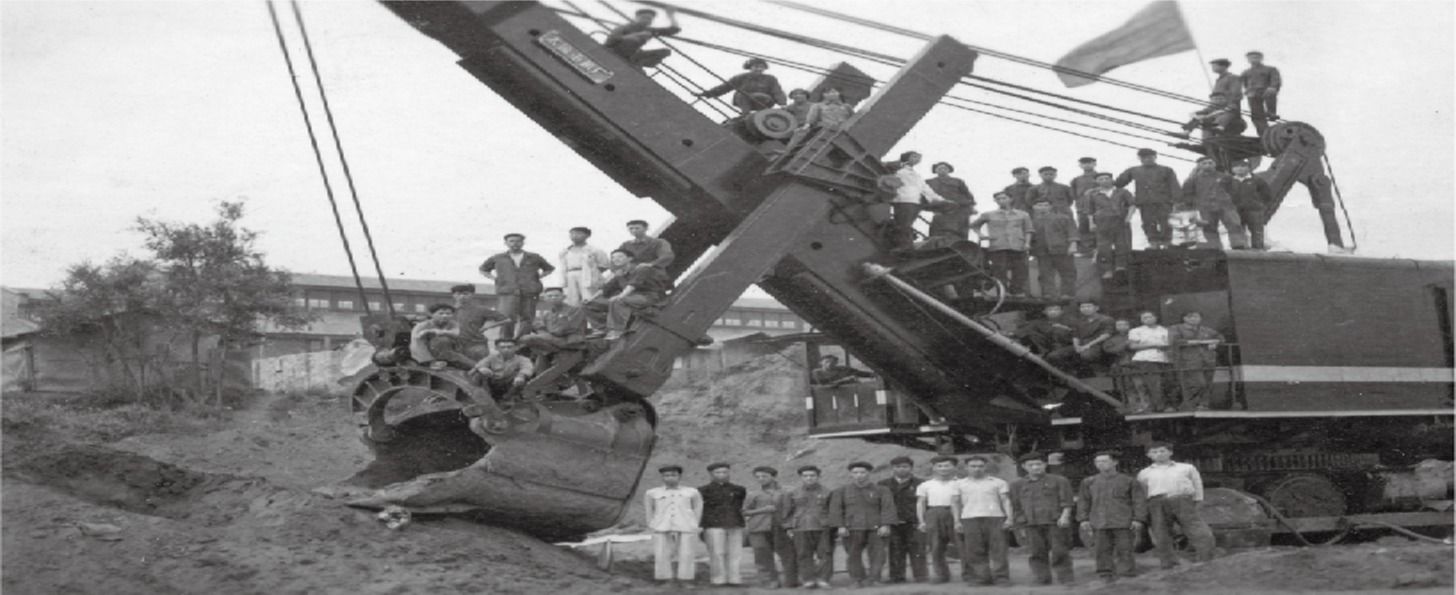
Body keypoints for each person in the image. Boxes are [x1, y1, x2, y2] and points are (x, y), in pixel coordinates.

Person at [1138, 442, 1216, 567]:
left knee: (1197, 529)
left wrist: (1198, 500)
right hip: (1157, 502)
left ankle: (1206, 559)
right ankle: (1169, 563)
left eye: (1162, 451)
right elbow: (1143, 490)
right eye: (1154, 452)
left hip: (1181, 500)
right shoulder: (1144, 473)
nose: (1159, 454)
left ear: (1170, 452)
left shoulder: (1186, 468)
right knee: (1161, 533)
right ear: (1149, 455)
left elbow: (1197, 484)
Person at [1078, 451, 1148, 584]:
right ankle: (1105, 573)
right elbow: (1083, 501)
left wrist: (1138, 519)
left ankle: (1126, 573)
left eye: (1104, 461)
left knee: (1125, 548)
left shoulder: (1129, 481)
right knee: (1101, 549)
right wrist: (1083, 519)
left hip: (1123, 521)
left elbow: (1138, 501)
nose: (1100, 464)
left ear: (1115, 462)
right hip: (1099, 521)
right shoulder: (1089, 482)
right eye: (1097, 462)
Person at [1008, 452, 1075, 586]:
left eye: (1038, 464)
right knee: (1036, 552)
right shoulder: (1017, 484)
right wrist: (1020, 522)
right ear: (1024, 467)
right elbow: (1015, 505)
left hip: (1055, 522)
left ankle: (1066, 578)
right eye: (1031, 465)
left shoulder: (1059, 480)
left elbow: (1067, 501)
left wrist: (1065, 516)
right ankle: (1042, 579)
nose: (1035, 467)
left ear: (1045, 464)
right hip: (1030, 523)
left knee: (1060, 551)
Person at [828, 462, 896, 588]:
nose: (859, 475)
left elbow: (887, 508)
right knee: (853, 555)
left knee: (878, 555)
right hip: (852, 528)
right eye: (855, 472)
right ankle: (857, 580)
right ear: (850, 474)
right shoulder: (841, 491)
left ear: (869, 473)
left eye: (862, 472)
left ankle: (875, 579)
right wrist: (840, 526)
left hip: (876, 528)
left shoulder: (882, 490)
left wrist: (886, 524)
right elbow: (836, 510)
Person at [479, 233, 556, 339]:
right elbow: (483, 269)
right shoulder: (498, 258)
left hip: (529, 292)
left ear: (523, 243)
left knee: (527, 318)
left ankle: (522, 342)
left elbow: (549, 268)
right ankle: (506, 341)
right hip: (507, 292)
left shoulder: (534, 257)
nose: (515, 243)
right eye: (511, 241)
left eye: (518, 241)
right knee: (506, 318)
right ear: (506, 243)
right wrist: (495, 278)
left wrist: (537, 277)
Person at [956, 455, 1013, 587]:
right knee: (975, 550)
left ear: (986, 467)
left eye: (980, 466)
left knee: (999, 550)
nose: (977, 469)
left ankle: (1001, 578)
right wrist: (957, 521)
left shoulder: (998, 482)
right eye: (973, 466)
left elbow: (1006, 501)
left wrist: (1009, 518)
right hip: (969, 518)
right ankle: (981, 578)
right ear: (966, 468)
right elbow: (956, 503)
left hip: (995, 518)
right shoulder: (959, 484)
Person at [644, 464, 703, 586]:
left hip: (686, 525)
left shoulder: (691, 492)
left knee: (686, 553)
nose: (670, 478)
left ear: (679, 476)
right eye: (666, 475)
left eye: (673, 475)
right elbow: (649, 509)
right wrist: (651, 524)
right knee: (661, 553)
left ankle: (685, 579)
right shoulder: (652, 492)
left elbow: (698, 507)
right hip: (661, 525)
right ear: (662, 477)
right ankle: (665, 579)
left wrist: (695, 523)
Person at [971, 192, 1034, 296]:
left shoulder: (1023, 214)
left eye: (1004, 198)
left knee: (1020, 269)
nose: (1001, 201)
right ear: (995, 201)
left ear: (1010, 199)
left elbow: (1028, 230)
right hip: (998, 245)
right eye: (998, 199)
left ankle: (1017, 291)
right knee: (1000, 270)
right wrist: (981, 234)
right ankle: (1003, 292)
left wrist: (1027, 243)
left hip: (1018, 245)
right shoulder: (989, 214)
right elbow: (974, 225)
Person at [1115, 149, 1182, 248]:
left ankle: (1167, 242)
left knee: (1166, 222)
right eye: (1144, 158)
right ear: (1139, 158)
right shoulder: (1134, 170)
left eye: (1150, 157)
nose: (1147, 159)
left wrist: (1178, 201)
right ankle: (1153, 242)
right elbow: (1118, 183)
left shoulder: (1166, 170)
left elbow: (1174, 186)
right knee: (1148, 223)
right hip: (1145, 202)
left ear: (1155, 157)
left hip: (1164, 201)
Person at [781, 465, 834, 589]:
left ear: (818, 476)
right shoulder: (793, 493)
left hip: (822, 527)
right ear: (801, 477)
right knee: (803, 554)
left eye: (812, 475)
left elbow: (833, 510)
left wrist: (832, 527)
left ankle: (823, 579)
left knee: (825, 553)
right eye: (805, 476)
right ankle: (808, 579)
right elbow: (787, 512)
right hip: (801, 527)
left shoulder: (828, 492)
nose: (809, 478)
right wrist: (788, 527)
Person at [744, 466, 797, 588]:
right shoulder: (753, 494)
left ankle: (792, 580)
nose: (761, 479)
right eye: (758, 477)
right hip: (758, 528)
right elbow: (744, 511)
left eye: (764, 476)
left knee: (788, 554)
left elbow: (794, 509)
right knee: (762, 555)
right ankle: (770, 581)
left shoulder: (787, 491)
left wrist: (790, 525)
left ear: (773, 477)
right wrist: (763, 510)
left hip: (781, 527)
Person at [878, 456, 927, 584]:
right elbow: (880, 505)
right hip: (893, 523)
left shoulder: (921, 483)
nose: (901, 469)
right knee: (895, 551)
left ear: (911, 468)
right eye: (898, 467)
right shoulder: (883, 484)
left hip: (914, 523)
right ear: (892, 468)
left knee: (917, 550)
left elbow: (925, 504)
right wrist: (883, 522)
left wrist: (923, 521)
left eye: (905, 466)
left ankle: (921, 577)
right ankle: (896, 577)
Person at [1181, 157, 1248, 249]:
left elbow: (1235, 191)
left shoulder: (1225, 177)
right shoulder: (1193, 179)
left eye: (1210, 163)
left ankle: (1239, 245)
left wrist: (1232, 202)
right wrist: (1192, 205)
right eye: (1204, 163)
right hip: (1205, 207)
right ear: (1199, 165)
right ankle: (1213, 247)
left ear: (1214, 164)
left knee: (1234, 224)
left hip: (1226, 206)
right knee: (1209, 228)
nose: (1208, 165)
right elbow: (1187, 194)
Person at [888, 151, 949, 250]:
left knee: (905, 225)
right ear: (907, 158)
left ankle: (905, 246)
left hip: (914, 202)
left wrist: (941, 200)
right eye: (914, 157)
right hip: (902, 200)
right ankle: (904, 246)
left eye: (918, 158)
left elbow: (925, 188)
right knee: (903, 225)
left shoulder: (916, 174)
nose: (917, 159)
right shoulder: (898, 170)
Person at [700, 462, 748, 587]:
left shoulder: (739, 489)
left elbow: (740, 506)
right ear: (711, 474)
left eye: (725, 472)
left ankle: (734, 578)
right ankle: (718, 579)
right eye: (718, 472)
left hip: (734, 523)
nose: (722, 475)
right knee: (717, 552)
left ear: (729, 473)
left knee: (735, 552)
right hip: (713, 524)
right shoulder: (702, 490)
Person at [915, 455, 960, 583]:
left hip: (956, 513)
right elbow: (921, 503)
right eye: (939, 466)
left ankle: (970, 573)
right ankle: (941, 575)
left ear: (954, 467)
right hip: (933, 513)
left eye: (947, 466)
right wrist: (921, 521)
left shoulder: (961, 483)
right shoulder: (926, 485)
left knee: (961, 544)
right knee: (936, 546)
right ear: (934, 468)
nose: (943, 469)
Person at [604, 256, 672, 341]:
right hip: (639, 298)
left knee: (618, 301)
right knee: (611, 302)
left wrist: (619, 296)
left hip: (650, 297)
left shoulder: (640, 270)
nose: (614, 273)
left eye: (615, 271)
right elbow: (606, 289)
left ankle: (617, 330)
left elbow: (632, 286)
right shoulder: (621, 278)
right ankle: (613, 328)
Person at [1168, 311, 1225, 411]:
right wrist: (1195, 342)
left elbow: (1220, 338)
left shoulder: (1206, 329)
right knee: (1198, 383)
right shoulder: (1176, 328)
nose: (1193, 319)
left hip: (1208, 359)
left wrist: (1216, 342)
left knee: (1208, 383)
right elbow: (1175, 341)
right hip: (1189, 360)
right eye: (1190, 317)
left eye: (1196, 316)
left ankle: (1203, 405)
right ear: (1184, 318)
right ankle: (1187, 405)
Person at [1087, 172, 1136, 278]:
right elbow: (1090, 211)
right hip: (1102, 223)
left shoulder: (1122, 192)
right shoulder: (1093, 194)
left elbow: (1132, 205)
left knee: (1122, 245)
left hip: (1120, 222)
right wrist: (1091, 223)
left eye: (1106, 178)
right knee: (1103, 247)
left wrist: (1128, 217)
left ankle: (1121, 267)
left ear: (1112, 180)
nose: (1104, 181)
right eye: (1101, 179)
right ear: (1096, 181)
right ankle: (1107, 270)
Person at [1048, 300, 1116, 373]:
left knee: (1086, 355)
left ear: (1096, 308)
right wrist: (1076, 346)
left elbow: (1106, 335)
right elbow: (1076, 335)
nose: (1085, 309)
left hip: (1098, 345)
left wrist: (1088, 345)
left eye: (1088, 306)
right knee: (1053, 355)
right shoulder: (1080, 321)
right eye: (1082, 307)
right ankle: (1074, 372)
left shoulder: (1106, 319)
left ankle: (1097, 369)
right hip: (1082, 345)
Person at [697, 58, 786, 113]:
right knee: (742, 94)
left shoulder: (770, 79)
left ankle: (762, 115)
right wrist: (706, 94)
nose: (758, 69)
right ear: (750, 67)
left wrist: (783, 104)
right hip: (744, 100)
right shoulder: (741, 77)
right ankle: (745, 115)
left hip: (762, 101)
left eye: (761, 67)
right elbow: (725, 87)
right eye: (756, 67)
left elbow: (777, 91)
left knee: (763, 97)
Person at [1028, 201, 1078, 300]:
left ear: (1050, 207)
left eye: (1046, 205)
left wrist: (1073, 245)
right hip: (1042, 252)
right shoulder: (1032, 221)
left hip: (1062, 250)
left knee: (1068, 273)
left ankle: (1067, 294)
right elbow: (1031, 237)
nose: (1043, 207)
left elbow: (1072, 232)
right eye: (1040, 205)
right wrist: (1031, 250)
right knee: (1045, 274)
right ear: (1034, 207)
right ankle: (1048, 294)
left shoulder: (1063, 218)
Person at [1126, 311, 1173, 413]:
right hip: (1145, 358)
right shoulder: (1136, 331)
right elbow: (1132, 346)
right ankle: (1160, 406)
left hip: (1164, 358)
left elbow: (1169, 344)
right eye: (1144, 318)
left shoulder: (1164, 330)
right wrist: (1153, 345)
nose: (1148, 319)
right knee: (1154, 383)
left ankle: (1168, 405)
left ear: (1155, 317)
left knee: (1167, 382)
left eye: (1150, 317)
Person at [517, 287, 586, 356]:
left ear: (563, 297)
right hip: (555, 340)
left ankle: (556, 352)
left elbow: (564, 329)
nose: (553, 298)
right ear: (545, 299)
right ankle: (556, 352)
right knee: (525, 338)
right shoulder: (548, 314)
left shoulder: (574, 310)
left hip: (569, 341)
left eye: (556, 295)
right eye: (549, 296)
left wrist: (546, 333)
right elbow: (540, 327)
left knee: (528, 338)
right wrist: (542, 331)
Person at [603, 8, 681, 69]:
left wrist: (670, 15)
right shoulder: (625, 27)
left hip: (632, 55)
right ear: (636, 18)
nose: (647, 20)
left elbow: (674, 29)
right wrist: (635, 35)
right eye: (644, 17)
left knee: (665, 51)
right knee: (632, 41)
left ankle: (636, 65)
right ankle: (633, 63)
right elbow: (611, 40)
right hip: (615, 50)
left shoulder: (649, 30)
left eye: (649, 19)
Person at [449, 284, 510, 362]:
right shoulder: (449, 311)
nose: (462, 296)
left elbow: (506, 320)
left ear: (472, 295)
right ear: (453, 295)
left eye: (465, 294)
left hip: (476, 344)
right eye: (458, 294)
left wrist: (487, 327)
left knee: (481, 365)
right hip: (456, 344)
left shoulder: (481, 310)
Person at [1227, 160, 1274, 250]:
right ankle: (1238, 250)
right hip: (1235, 210)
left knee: (1256, 231)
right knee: (1236, 230)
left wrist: (1259, 205)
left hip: (1253, 211)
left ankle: (1258, 250)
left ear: (1249, 168)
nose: (1240, 168)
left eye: (1243, 166)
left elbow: (1267, 195)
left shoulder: (1257, 180)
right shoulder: (1229, 181)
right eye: (1237, 166)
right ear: (1232, 169)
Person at [409, 304, 472, 370]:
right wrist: (429, 362)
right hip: (428, 355)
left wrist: (437, 331)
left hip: (449, 353)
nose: (445, 316)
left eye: (448, 313)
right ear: (432, 314)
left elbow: (456, 333)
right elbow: (417, 344)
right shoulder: (422, 326)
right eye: (441, 313)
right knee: (442, 340)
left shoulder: (453, 324)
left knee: (472, 365)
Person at [924, 162, 976, 242]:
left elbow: (968, 195)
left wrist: (971, 207)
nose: (942, 170)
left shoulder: (957, 181)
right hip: (941, 209)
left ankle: (960, 244)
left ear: (949, 170)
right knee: (938, 229)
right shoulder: (929, 182)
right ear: (935, 170)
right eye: (939, 168)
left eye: (945, 168)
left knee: (960, 230)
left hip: (959, 208)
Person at [559, 227, 610, 307]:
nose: (575, 236)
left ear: (587, 236)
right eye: (572, 234)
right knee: (572, 300)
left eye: (578, 233)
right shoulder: (565, 251)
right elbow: (563, 266)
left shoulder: (594, 250)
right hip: (570, 275)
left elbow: (604, 265)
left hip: (587, 275)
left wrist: (594, 274)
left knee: (589, 298)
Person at [469, 338, 534, 400]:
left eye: (509, 347)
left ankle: (507, 399)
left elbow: (527, 368)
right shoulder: (492, 358)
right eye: (502, 347)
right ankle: (480, 396)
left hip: (510, 385)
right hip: (493, 383)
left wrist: (521, 376)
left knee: (521, 378)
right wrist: (482, 368)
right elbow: (478, 366)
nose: (506, 350)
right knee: (479, 373)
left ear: (516, 348)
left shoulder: (522, 359)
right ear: (497, 348)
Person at [1240, 51, 1282, 135]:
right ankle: (1264, 134)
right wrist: (1247, 91)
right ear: (1248, 59)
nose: (1254, 59)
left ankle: (1271, 112)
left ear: (1261, 58)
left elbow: (1275, 79)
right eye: (1251, 58)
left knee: (1270, 93)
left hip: (1265, 91)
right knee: (1256, 115)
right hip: (1253, 93)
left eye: (1256, 57)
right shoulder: (1246, 72)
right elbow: (1243, 83)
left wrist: (1273, 87)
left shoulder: (1270, 69)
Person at [1009, 303, 1074, 356]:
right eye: (1050, 310)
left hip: (1063, 345)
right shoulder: (1039, 322)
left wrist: (1063, 327)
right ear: (1044, 312)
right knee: (1032, 333)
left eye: (1056, 309)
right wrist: (1012, 333)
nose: (1053, 312)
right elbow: (1027, 329)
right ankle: (1044, 353)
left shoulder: (1068, 321)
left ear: (1062, 311)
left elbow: (1074, 332)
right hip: (1047, 345)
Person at [1070, 157, 1101, 255]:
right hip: (1082, 208)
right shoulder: (1076, 180)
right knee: (1083, 229)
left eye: (1089, 163)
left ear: (1094, 164)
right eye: (1084, 163)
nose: (1087, 165)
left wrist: (1094, 190)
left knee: (1099, 229)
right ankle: (1086, 252)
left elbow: (1108, 188)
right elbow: (1073, 195)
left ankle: (1099, 251)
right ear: (1080, 165)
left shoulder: (1101, 177)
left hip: (1098, 208)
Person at [810, 354, 875, 386]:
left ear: (836, 363)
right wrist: (846, 380)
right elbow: (824, 384)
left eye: (833, 362)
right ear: (821, 363)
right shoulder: (817, 372)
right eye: (827, 361)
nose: (829, 364)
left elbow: (858, 373)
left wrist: (873, 374)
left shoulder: (843, 369)